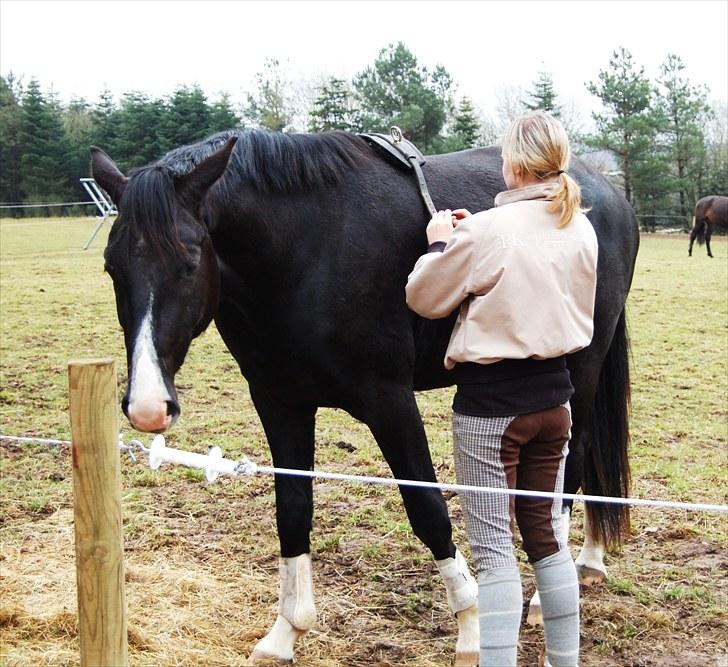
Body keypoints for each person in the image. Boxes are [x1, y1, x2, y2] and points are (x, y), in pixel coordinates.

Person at [406, 110, 598, 667]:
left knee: (493, 556)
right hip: (554, 404)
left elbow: (424, 297)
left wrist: (443, 243)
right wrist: (472, 234)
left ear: (512, 163)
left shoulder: (485, 231)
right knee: (547, 540)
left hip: (491, 410)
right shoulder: (578, 224)